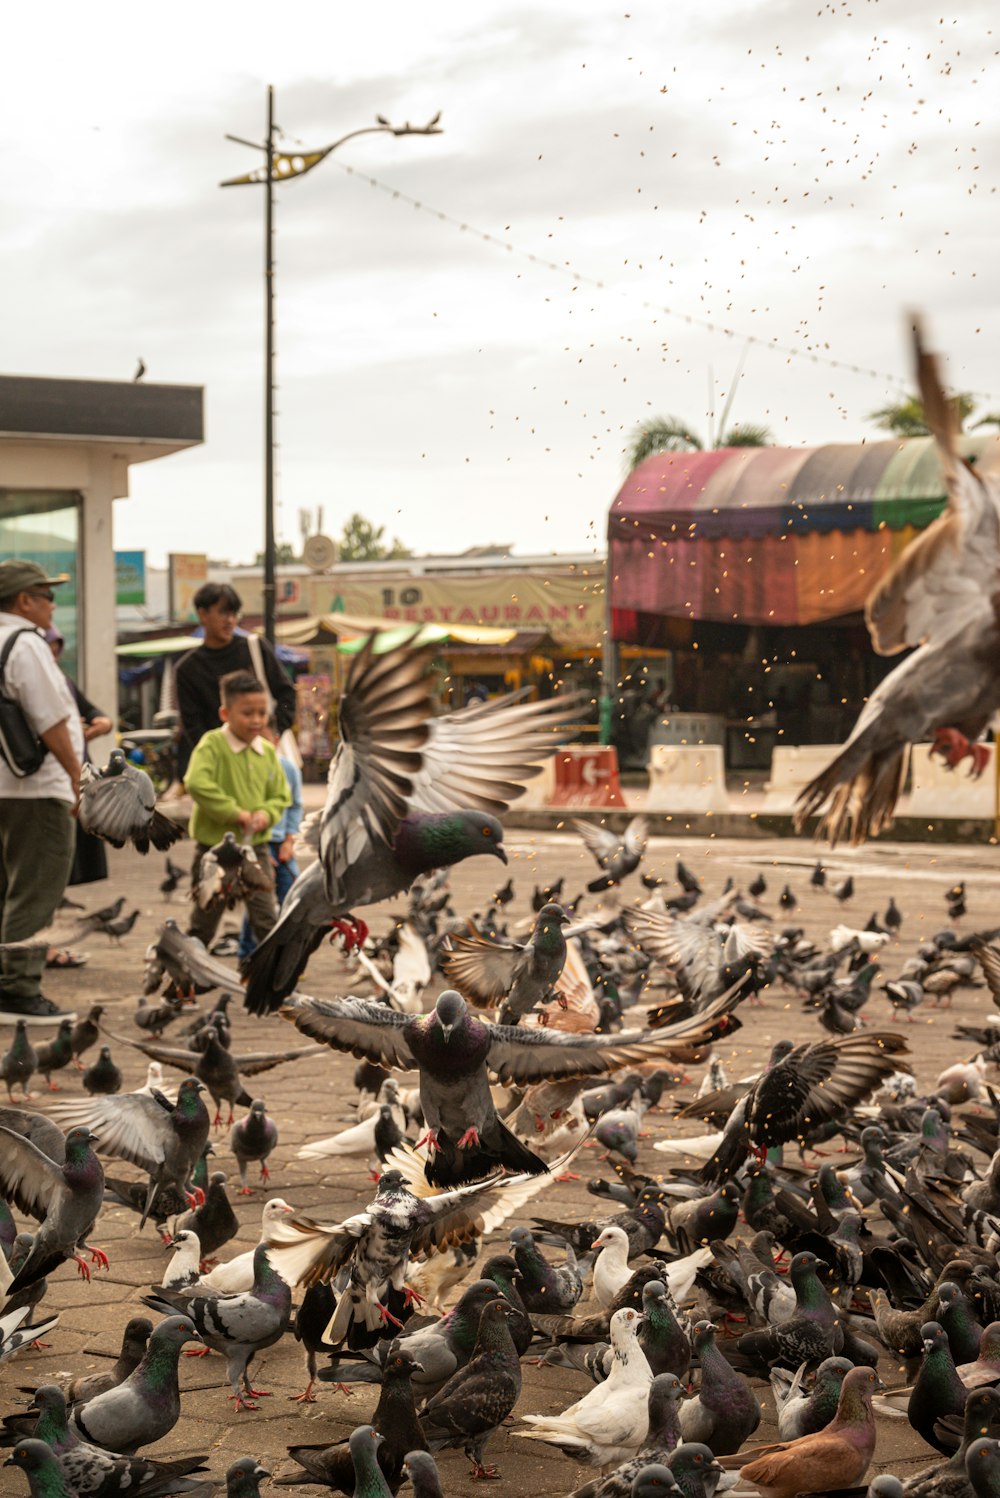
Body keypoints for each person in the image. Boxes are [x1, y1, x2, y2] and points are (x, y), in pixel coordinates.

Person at [0, 560, 83, 1023]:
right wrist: (76, 775)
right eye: (46, 594)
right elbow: (49, 717)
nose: (53, 603)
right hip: (36, 788)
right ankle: (18, 990)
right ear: (23, 600)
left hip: (4, 788)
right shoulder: (25, 643)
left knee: (7, 889)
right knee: (35, 891)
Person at [184, 670, 291, 953]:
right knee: (204, 921)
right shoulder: (212, 745)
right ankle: (183, 985)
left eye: (261, 712)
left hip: (256, 851)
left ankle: (274, 986)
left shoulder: (268, 752)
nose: (256, 720)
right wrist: (236, 814)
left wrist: (267, 814)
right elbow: (196, 783)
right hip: (214, 852)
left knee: (266, 919)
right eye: (247, 713)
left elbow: (281, 795)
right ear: (224, 713)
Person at [175, 582, 296, 779]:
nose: (230, 620)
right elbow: (193, 725)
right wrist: (217, 755)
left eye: (234, 614)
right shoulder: (187, 669)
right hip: (221, 767)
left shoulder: (255, 648)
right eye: (223, 613)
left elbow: (287, 693)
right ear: (203, 614)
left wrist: (274, 731)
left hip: (264, 755)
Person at [44, 626, 112, 892]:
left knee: (72, 840)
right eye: (47, 650)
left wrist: (100, 724)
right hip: (51, 773)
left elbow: (93, 713)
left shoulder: (62, 680)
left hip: (75, 767)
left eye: (56, 651)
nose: (52, 657)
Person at [236, 720, 303, 961]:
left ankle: (288, 957)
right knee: (259, 902)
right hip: (256, 845)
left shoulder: (288, 768)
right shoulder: (245, 770)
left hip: (280, 844)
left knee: (292, 898)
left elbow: (295, 806)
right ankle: (248, 954)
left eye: (266, 740)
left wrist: (289, 841)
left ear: (276, 741)